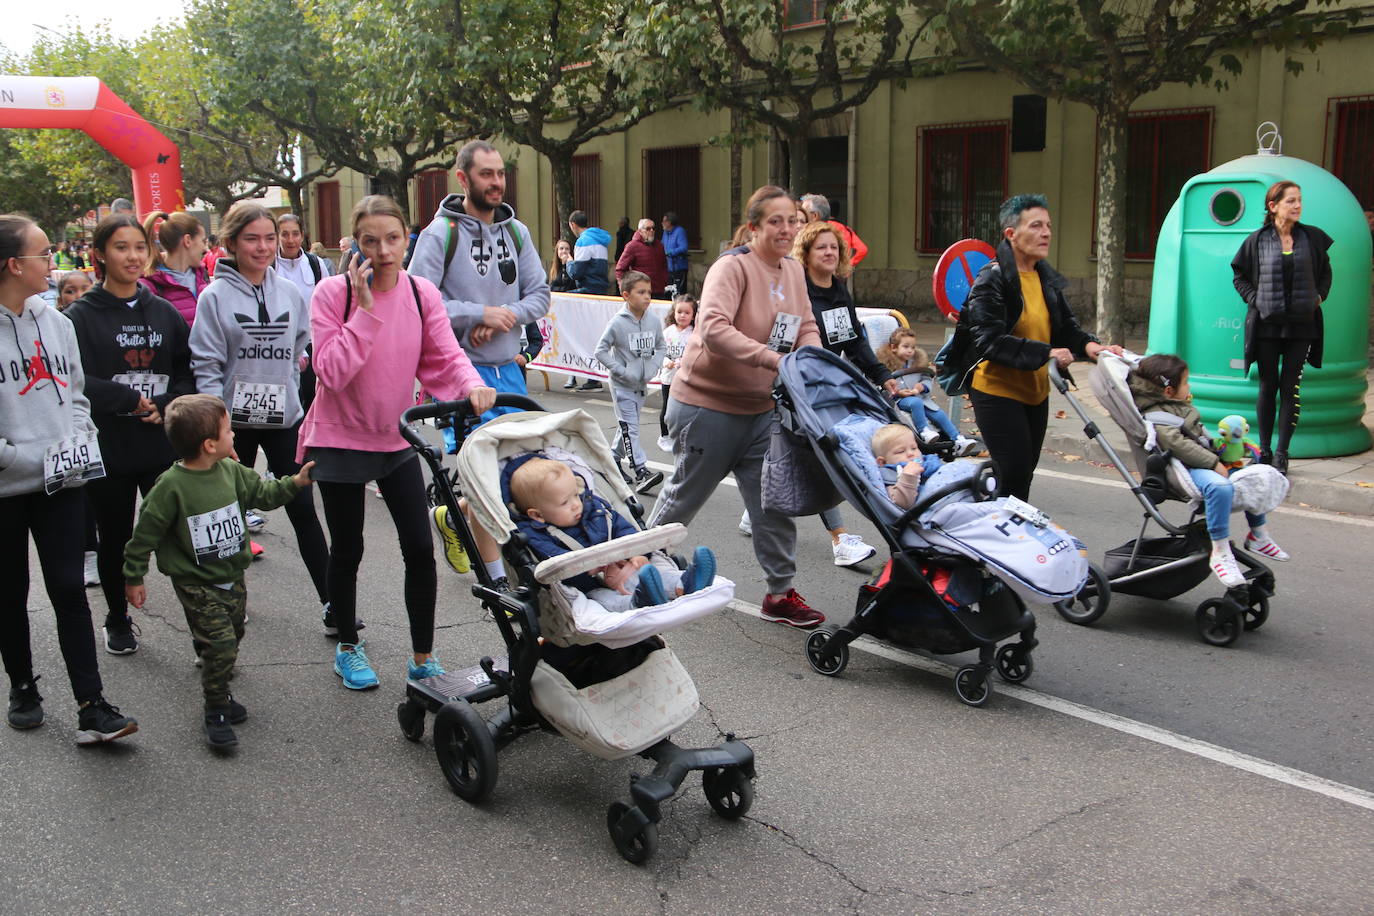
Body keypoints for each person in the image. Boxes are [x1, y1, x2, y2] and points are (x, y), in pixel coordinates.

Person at [299, 194, 494, 690]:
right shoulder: (331, 294)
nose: (383, 250)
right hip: (339, 438)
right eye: (370, 241)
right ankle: (347, 645)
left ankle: (423, 657)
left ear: (406, 239)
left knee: (418, 549)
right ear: (354, 245)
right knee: (347, 548)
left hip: (396, 437)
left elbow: (445, 356)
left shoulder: (421, 292)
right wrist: (364, 311)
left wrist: (470, 385)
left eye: (392, 238)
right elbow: (332, 372)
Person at [649, 185, 826, 628]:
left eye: (793, 221)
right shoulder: (733, 268)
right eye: (776, 222)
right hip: (707, 407)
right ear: (754, 228)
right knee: (683, 499)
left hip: (762, 409)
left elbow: (804, 324)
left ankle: (780, 594)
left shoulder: (793, 270)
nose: (787, 229)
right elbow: (712, 330)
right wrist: (775, 360)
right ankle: (636, 569)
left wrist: (812, 361)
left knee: (773, 505)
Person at [0, 213, 138, 744]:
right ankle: (22, 687)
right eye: (42, 255)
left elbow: (77, 394)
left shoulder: (58, 322)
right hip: (7, 487)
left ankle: (91, 704)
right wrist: (26, 457)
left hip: (63, 482)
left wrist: (78, 438)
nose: (52, 263)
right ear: (14, 264)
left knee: (69, 590)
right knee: (10, 592)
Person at [123, 395, 315, 747]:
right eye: (228, 431)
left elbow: (265, 493)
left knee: (233, 634)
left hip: (233, 574)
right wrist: (133, 576)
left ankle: (218, 683)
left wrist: (296, 482)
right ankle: (215, 708)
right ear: (209, 444)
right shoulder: (170, 487)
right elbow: (144, 535)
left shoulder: (231, 471)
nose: (234, 436)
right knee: (222, 643)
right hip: (195, 581)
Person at [408, 140, 550, 588]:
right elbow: (418, 301)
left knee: (517, 471)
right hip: (458, 375)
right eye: (486, 174)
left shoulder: (517, 232)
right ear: (464, 178)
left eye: (501, 174)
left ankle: (455, 516)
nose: (496, 182)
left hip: (508, 371)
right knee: (488, 477)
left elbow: (540, 296)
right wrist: (477, 314)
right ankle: (500, 583)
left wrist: (505, 316)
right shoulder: (439, 235)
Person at [189, 201, 334, 633]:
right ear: (231, 243)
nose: (264, 247)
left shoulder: (290, 293)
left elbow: (300, 347)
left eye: (270, 238)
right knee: (226, 515)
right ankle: (226, 607)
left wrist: (294, 379)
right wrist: (218, 429)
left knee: (303, 507)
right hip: (232, 423)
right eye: (252, 239)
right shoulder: (214, 297)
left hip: (283, 419)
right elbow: (207, 367)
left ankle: (333, 605)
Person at [66, 213, 196, 656]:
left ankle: (204, 620)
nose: (133, 256)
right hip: (109, 448)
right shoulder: (78, 317)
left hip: (160, 445)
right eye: (121, 247)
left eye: (139, 247)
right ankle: (118, 618)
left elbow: (185, 372)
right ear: (100, 255)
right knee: (115, 536)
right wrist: (122, 399)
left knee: (179, 535)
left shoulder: (163, 311)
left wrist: (162, 406)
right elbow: (71, 378)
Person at [964, 194, 1118, 502]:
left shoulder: (1043, 277)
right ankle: (985, 537)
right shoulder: (991, 279)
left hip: (1035, 391)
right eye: (1036, 226)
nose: (1046, 232)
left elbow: (1064, 328)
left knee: (1022, 478)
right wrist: (1045, 353)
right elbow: (988, 341)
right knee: (1012, 474)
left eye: (1048, 225)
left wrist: (1090, 347)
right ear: (1011, 234)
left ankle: (1013, 540)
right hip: (996, 391)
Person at [1128, 354, 1288, 586]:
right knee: (1221, 488)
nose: (1189, 386)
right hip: (1184, 467)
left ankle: (1258, 535)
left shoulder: (1174, 405)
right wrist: (1213, 463)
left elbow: (1195, 436)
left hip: (1200, 458)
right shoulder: (1158, 415)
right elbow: (1178, 444)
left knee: (1256, 478)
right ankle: (1220, 552)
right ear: (1169, 391)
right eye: (1185, 382)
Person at [509, 456, 716, 612]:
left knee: (652, 572)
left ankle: (685, 583)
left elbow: (621, 527)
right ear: (537, 515)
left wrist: (638, 553)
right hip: (587, 585)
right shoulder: (536, 535)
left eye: (576, 495)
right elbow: (553, 561)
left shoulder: (594, 508)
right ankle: (636, 603)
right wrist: (588, 566)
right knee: (601, 601)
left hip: (624, 566)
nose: (575, 504)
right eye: (565, 502)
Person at [791, 218, 879, 567]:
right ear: (806, 253)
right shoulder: (796, 290)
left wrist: (881, 375)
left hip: (830, 386)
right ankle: (841, 539)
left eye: (834, 247)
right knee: (824, 457)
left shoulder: (839, 288)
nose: (829, 252)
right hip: (798, 387)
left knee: (799, 461)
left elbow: (853, 339)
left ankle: (758, 511)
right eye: (821, 247)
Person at [1231, 180, 1333, 476]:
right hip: (1266, 326)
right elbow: (1239, 276)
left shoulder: (1313, 238)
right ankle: (1264, 450)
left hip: (1302, 326)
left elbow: (1326, 273)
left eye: (1299, 200)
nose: (1297, 205)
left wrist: (1319, 297)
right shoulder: (1257, 240)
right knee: (1267, 386)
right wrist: (1255, 299)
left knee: (1290, 388)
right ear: (1273, 206)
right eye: (1291, 201)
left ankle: (1283, 453)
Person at [594, 270, 666, 494]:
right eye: (641, 292)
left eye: (649, 292)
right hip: (622, 385)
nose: (647, 297)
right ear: (626, 295)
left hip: (641, 385)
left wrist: (653, 367)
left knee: (627, 426)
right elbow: (601, 351)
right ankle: (641, 471)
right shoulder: (617, 323)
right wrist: (621, 371)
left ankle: (611, 461)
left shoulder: (653, 320)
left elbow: (661, 346)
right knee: (631, 428)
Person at [876, 328, 979, 455]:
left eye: (913, 347)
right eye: (906, 347)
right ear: (894, 347)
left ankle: (958, 439)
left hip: (920, 397)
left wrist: (921, 387)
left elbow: (927, 378)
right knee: (915, 403)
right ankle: (924, 431)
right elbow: (883, 384)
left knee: (939, 414)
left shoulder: (917, 363)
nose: (910, 350)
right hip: (899, 399)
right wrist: (899, 392)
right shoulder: (886, 365)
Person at [139, 210, 209, 327]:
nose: (205, 248)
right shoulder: (149, 287)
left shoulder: (203, 276)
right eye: (203, 241)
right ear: (187, 241)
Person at [656, 294, 696, 451]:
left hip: (686, 379)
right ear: (674, 312)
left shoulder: (694, 334)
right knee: (667, 409)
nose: (683, 315)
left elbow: (696, 355)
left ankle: (684, 436)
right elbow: (660, 352)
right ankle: (664, 436)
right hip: (668, 378)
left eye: (687, 313)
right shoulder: (668, 332)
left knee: (686, 410)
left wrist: (683, 362)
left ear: (693, 316)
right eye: (679, 312)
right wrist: (667, 362)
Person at [871, 423, 944, 510]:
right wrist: (908, 477)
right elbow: (902, 504)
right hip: (935, 509)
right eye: (900, 451)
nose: (911, 453)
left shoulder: (929, 462)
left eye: (914, 448)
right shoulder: (890, 477)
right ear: (882, 462)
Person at [800, 194, 867, 267]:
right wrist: (849, 264)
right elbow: (863, 249)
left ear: (815, 216)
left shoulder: (814, 232)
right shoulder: (846, 229)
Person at [273, 214, 324, 307]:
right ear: (276, 237)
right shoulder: (268, 266)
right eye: (285, 234)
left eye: (295, 234)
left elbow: (326, 299)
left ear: (302, 236)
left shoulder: (316, 264)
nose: (290, 240)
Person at [615, 218, 670, 297]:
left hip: (658, 291)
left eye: (653, 228)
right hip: (640, 292)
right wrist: (623, 287)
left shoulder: (659, 246)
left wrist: (664, 283)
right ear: (640, 231)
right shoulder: (632, 246)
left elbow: (664, 266)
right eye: (648, 229)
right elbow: (620, 269)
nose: (651, 231)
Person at [567, 210, 611, 295]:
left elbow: (575, 273)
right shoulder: (600, 240)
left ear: (573, 225)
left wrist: (569, 262)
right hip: (602, 289)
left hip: (587, 290)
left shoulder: (583, 241)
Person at [661, 211, 689, 295]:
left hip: (679, 267)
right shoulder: (665, 232)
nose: (662, 223)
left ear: (669, 222)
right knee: (668, 291)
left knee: (679, 292)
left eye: (664, 221)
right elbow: (662, 245)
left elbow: (684, 247)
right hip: (668, 268)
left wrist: (670, 252)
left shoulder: (680, 231)